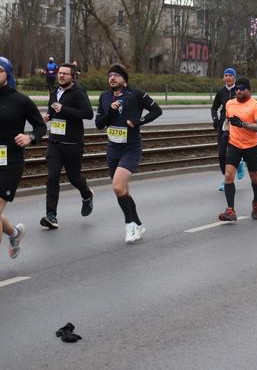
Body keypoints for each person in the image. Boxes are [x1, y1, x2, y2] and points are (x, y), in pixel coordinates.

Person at [95, 64, 162, 243]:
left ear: (124, 79)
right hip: (113, 149)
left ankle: (129, 225)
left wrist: (139, 121)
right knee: (122, 190)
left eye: (116, 75)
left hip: (131, 148)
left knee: (117, 187)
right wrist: (111, 111)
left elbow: (157, 110)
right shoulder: (104, 96)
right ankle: (138, 224)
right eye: (110, 75)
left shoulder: (137, 94)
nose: (112, 78)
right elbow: (99, 124)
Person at [0, 57, 47, 258]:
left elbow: (40, 126)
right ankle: (15, 233)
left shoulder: (20, 100)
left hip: (9, 162)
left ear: (8, 74)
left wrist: (31, 137)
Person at [40, 63, 94, 229]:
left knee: (73, 177)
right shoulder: (53, 92)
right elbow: (53, 110)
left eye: (65, 74)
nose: (61, 76)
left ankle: (86, 194)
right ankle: (51, 215)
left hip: (72, 143)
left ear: (73, 76)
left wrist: (64, 109)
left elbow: (88, 114)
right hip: (55, 143)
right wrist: (48, 116)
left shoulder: (78, 93)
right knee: (52, 178)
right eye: (60, 73)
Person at [218, 77, 257, 221]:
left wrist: (243, 124)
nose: (238, 91)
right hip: (234, 145)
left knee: (254, 177)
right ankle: (230, 210)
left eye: (241, 89)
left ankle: (256, 202)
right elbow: (227, 121)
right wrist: (226, 131)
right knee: (228, 176)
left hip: (251, 146)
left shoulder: (255, 106)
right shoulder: (230, 104)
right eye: (236, 89)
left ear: (248, 90)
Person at [211, 68, 246, 191]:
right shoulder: (221, 92)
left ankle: (238, 166)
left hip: (236, 125)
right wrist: (215, 119)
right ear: (223, 78)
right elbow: (214, 107)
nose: (228, 77)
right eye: (226, 75)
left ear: (234, 77)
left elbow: (247, 105)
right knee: (221, 154)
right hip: (224, 125)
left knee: (232, 152)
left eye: (230, 75)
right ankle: (227, 174)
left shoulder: (240, 91)